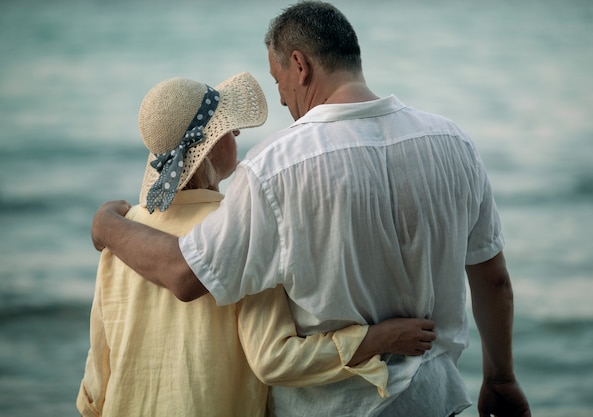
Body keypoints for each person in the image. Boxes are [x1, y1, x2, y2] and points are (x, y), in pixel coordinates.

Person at [91, 2, 531, 417]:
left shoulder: (273, 166)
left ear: (299, 65)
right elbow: (493, 280)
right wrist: (502, 378)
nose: (281, 97)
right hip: (432, 401)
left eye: (277, 79)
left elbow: (188, 276)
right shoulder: (453, 143)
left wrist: (108, 225)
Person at [77, 72, 437, 417]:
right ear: (212, 145)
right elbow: (275, 360)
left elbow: (97, 381)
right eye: (227, 126)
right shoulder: (241, 227)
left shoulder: (123, 234)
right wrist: (377, 338)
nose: (235, 130)